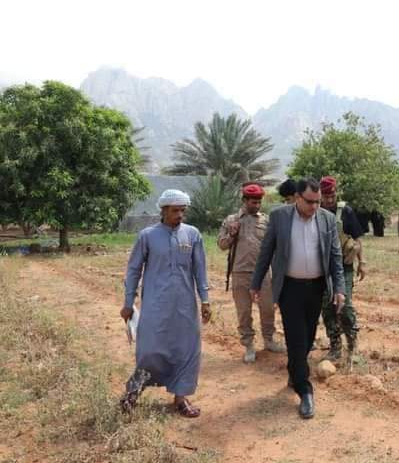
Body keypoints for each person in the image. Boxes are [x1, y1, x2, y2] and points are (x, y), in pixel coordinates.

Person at [251, 177, 346, 419]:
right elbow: (266, 251)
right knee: (296, 338)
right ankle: (305, 390)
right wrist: (256, 283)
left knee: (308, 336)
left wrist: (340, 289)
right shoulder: (279, 217)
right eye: (310, 201)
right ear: (296, 197)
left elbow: (335, 257)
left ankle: (295, 371)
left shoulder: (327, 219)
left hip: (316, 287)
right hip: (289, 287)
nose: (315, 206)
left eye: (318, 202)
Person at [120, 189, 211, 418]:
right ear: (163, 211)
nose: (179, 215)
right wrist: (128, 302)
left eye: (182, 211)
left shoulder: (192, 234)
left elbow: (200, 270)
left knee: (186, 350)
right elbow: (133, 270)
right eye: (175, 211)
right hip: (155, 304)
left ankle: (181, 399)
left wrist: (205, 300)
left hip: (185, 305)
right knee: (149, 351)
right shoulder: (147, 236)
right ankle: (133, 393)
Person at [218, 183, 284, 363]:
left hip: (263, 273)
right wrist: (231, 234)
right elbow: (222, 245)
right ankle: (248, 345)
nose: (257, 205)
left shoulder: (266, 221)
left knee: (268, 308)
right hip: (240, 273)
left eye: (259, 202)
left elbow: (275, 246)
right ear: (244, 200)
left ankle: (269, 340)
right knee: (244, 312)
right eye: (253, 202)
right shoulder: (231, 220)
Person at [319, 176, 366, 361]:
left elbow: (358, 239)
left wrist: (362, 263)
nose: (330, 199)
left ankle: (352, 344)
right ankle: (335, 346)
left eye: (332, 195)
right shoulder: (315, 211)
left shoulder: (345, 211)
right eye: (326, 196)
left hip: (344, 267)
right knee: (327, 308)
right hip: (322, 269)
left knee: (344, 306)